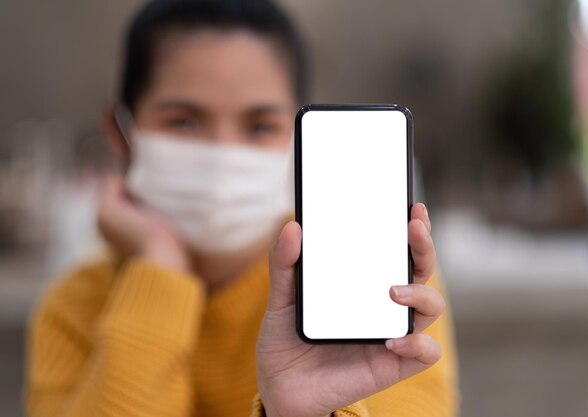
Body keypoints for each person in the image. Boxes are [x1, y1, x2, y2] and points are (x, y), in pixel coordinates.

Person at [24, 0, 459, 416]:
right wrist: (160, 268)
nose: (223, 152)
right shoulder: (73, 308)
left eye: (260, 125)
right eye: (184, 121)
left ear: (297, 137)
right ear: (120, 135)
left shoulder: (372, 288)